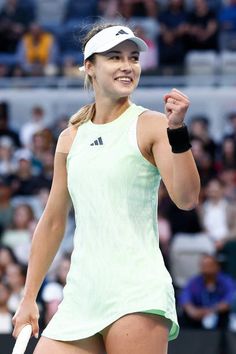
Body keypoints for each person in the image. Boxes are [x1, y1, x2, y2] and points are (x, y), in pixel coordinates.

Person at [12, 23, 200, 354]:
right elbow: (53, 221)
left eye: (133, 58)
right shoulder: (70, 138)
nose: (127, 66)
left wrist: (178, 132)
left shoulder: (153, 125)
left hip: (136, 292)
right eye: (115, 57)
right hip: (81, 295)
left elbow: (187, 199)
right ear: (89, 67)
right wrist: (29, 297)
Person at [179, 254, 236, 330]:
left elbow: (230, 299)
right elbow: (185, 298)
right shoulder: (194, 282)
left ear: (217, 267)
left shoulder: (226, 281)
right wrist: (193, 311)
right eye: (203, 265)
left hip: (221, 317)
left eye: (209, 265)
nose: (206, 268)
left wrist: (211, 311)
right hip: (198, 317)